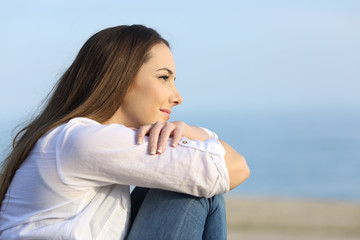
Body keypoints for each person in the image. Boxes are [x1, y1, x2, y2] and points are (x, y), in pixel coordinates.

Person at [0, 25, 250, 239]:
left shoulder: (67, 139)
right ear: (120, 78)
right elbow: (234, 168)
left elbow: (226, 167)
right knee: (196, 191)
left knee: (188, 183)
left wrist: (189, 131)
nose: (177, 97)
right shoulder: (81, 140)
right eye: (164, 78)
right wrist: (195, 134)